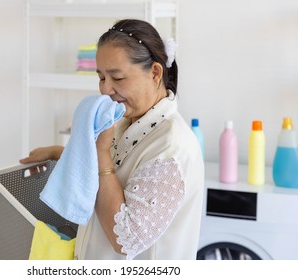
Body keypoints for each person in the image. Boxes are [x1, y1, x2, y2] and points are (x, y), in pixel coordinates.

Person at [20, 19, 204, 260]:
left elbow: (125, 238)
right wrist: (59, 153)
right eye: (101, 78)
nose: (105, 90)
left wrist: (101, 150)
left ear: (155, 73)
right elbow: (119, 171)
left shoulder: (171, 148)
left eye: (117, 78)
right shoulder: (127, 120)